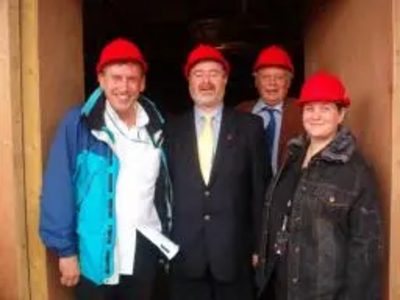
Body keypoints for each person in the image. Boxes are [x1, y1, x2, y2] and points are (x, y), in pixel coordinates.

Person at [39, 38, 171, 300]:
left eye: (132, 78)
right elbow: (58, 188)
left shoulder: (156, 126)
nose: (124, 87)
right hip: (95, 254)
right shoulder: (79, 124)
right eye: (116, 77)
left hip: (144, 251)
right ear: (101, 79)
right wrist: (66, 251)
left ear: (142, 83)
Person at [256, 72, 383, 300]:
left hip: (322, 293)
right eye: (310, 108)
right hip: (282, 287)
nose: (316, 116)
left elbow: (365, 252)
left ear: (341, 114)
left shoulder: (356, 171)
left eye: (325, 108)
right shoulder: (293, 154)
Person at [165, 44, 271, 300]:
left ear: (225, 80)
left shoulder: (251, 127)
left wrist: (260, 246)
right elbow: (161, 191)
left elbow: (261, 191)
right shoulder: (171, 130)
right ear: (189, 80)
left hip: (234, 254)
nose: (206, 82)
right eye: (198, 74)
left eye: (214, 73)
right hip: (185, 254)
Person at [237, 45, 302, 174]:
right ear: (256, 81)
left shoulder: (302, 111)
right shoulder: (239, 112)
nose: (272, 83)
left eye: (279, 77)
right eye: (266, 77)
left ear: (288, 83)